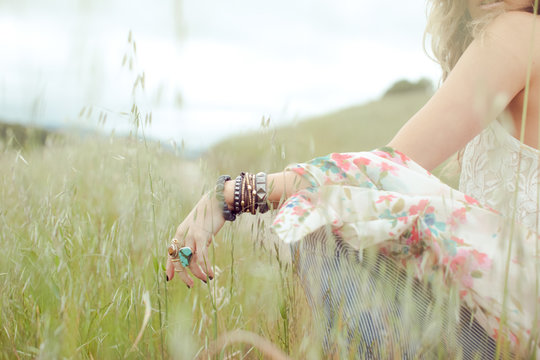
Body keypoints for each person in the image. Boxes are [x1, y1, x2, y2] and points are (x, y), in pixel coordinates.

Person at [166, 0, 540, 357]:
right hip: (512, 321)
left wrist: (233, 194)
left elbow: (380, 173)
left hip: (513, 326)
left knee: (324, 225)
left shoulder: (517, 33)